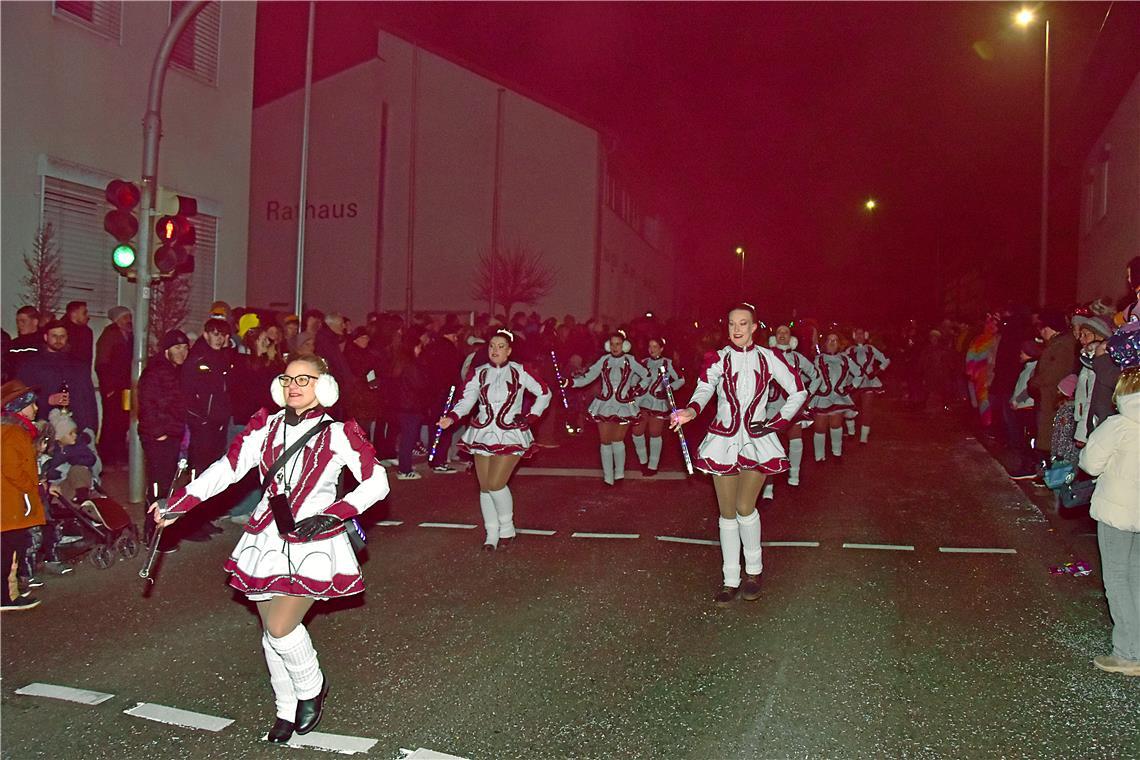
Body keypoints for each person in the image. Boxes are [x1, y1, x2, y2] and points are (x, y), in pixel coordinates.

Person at [151, 354, 389, 740]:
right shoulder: (265, 427)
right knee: (269, 630)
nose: (294, 385)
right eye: (288, 378)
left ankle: (312, 686)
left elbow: (377, 482)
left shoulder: (340, 433)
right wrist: (178, 505)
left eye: (305, 379)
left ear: (324, 387)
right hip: (265, 538)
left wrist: (336, 513)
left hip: (315, 538)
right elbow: (225, 471)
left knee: (281, 627)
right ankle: (285, 706)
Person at [671, 303, 807, 606]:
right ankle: (731, 578)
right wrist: (690, 411)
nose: (736, 329)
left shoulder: (770, 358)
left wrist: (777, 422)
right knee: (727, 512)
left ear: (755, 327)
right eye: (732, 323)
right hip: (724, 441)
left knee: (746, 505)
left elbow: (799, 391)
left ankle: (754, 571)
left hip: (758, 440)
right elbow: (704, 389)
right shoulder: (718, 359)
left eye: (743, 323)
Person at [438, 329, 551, 550]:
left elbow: (544, 393)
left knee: (496, 484)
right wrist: (452, 417)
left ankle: (507, 528)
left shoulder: (520, 371)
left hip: (511, 433)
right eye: (491, 346)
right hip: (482, 433)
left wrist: (531, 417)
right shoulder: (479, 372)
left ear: (509, 351)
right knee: (485, 487)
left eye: (500, 346)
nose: (495, 350)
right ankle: (491, 533)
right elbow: (467, 399)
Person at [1078, 368, 1140, 676]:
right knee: (1136, 577)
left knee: (1117, 578)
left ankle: (1128, 653)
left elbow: (1090, 464)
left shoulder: (1119, 426)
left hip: (1118, 511)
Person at [566, 330, 649, 486]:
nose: (615, 347)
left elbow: (647, 375)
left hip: (624, 405)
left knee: (618, 440)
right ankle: (607, 477)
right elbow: (588, 377)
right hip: (604, 405)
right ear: (608, 345)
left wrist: (637, 389)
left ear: (624, 345)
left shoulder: (630, 360)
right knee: (605, 441)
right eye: (612, 344)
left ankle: (619, 475)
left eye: (618, 344)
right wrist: (571, 383)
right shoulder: (604, 360)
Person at [138, 330, 191, 543]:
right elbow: (147, 404)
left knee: (166, 484)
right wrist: (158, 433)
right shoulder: (156, 371)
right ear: (167, 349)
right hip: (160, 437)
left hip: (171, 434)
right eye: (177, 348)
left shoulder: (173, 370)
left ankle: (160, 531)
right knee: (158, 486)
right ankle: (153, 534)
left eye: (185, 347)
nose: (183, 352)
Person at [1, 380, 48, 611]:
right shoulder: (14, 433)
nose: (36, 408)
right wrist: (32, 485)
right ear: (19, 407)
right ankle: (7, 596)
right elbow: (11, 467)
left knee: (7, 547)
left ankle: (8, 590)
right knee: (10, 548)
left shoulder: (9, 430)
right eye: (32, 405)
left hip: (9, 500)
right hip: (12, 501)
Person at [764, 324, 819, 498]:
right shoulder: (766, 356)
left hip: (792, 407)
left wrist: (806, 396)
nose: (782, 335)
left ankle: (793, 476)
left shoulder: (798, 358)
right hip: (770, 407)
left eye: (785, 332)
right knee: (769, 445)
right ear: (774, 336)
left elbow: (816, 375)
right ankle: (768, 487)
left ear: (791, 338)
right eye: (779, 332)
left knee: (795, 441)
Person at [16, 318, 98, 435]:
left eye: (62, 336)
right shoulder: (31, 365)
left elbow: (88, 399)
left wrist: (90, 429)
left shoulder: (78, 365)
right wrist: (46, 400)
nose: (58, 340)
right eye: (54, 336)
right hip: (43, 427)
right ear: (46, 337)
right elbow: (21, 397)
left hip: (75, 430)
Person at [183, 318, 236, 473]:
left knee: (217, 464)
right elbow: (187, 391)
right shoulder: (197, 359)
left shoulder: (223, 357)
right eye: (216, 334)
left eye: (223, 335)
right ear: (206, 335)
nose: (219, 339)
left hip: (220, 419)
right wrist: (200, 418)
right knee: (202, 464)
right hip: (203, 423)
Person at [1028, 309, 1078, 472]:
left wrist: (1034, 382)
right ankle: (1045, 469)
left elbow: (1051, 373)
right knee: (1047, 434)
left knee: (1050, 435)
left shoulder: (1061, 346)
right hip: (1048, 396)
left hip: (1052, 397)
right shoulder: (1058, 344)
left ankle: (1048, 472)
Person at [631, 337, 684, 476]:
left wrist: (669, 388)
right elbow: (633, 379)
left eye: (655, 346)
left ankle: (652, 465)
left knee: (655, 433)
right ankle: (643, 461)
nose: (652, 349)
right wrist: (634, 386)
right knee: (637, 431)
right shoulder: (643, 362)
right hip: (641, 401)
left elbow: (681, 379)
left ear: (661, 348)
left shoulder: (667, 363)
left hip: (658, 402)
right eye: (650, 346)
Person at [809, 330, 860, 463]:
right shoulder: (818, 359)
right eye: (829, 340)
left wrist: (852, 387)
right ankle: (819, 457)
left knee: (836, 424)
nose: (832, 343)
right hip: (822, 397)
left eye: (835, 340)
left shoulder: (844, 359)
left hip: (838, 397)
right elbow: (810, 375)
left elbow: (859, 373)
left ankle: (837, 453)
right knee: (819, 427)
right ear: (825, 343)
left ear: (839, 344)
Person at [94, 305, 132, 467]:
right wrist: (108, 388)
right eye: (125, 317)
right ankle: (107, 456)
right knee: (111, 420)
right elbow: (102, 364)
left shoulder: (130, 336)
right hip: (114, 389)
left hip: (127, 388)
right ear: (117, 320)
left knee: (124, 420)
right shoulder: (109, 336)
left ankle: (120, 454)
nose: (129, 320)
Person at [844, 326, 890, 443]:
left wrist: (876, 372)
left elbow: (886, 360)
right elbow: (843, 365)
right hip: (853, 382)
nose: (859, 336)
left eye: (861, 334)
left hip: (868, 382)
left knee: (867, 409)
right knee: (849, 407)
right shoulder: (849, 350)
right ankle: (851, 432)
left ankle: (863, 437)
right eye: (857, 334)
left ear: (865, 336)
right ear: (854, 336)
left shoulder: (871, 349)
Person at [63, 301, 93, 368]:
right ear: (74, 314)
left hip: (82, 373)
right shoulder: (61, 330)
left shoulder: (87, 331)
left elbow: (87, 358)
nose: (88, 316)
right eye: (84, 313)